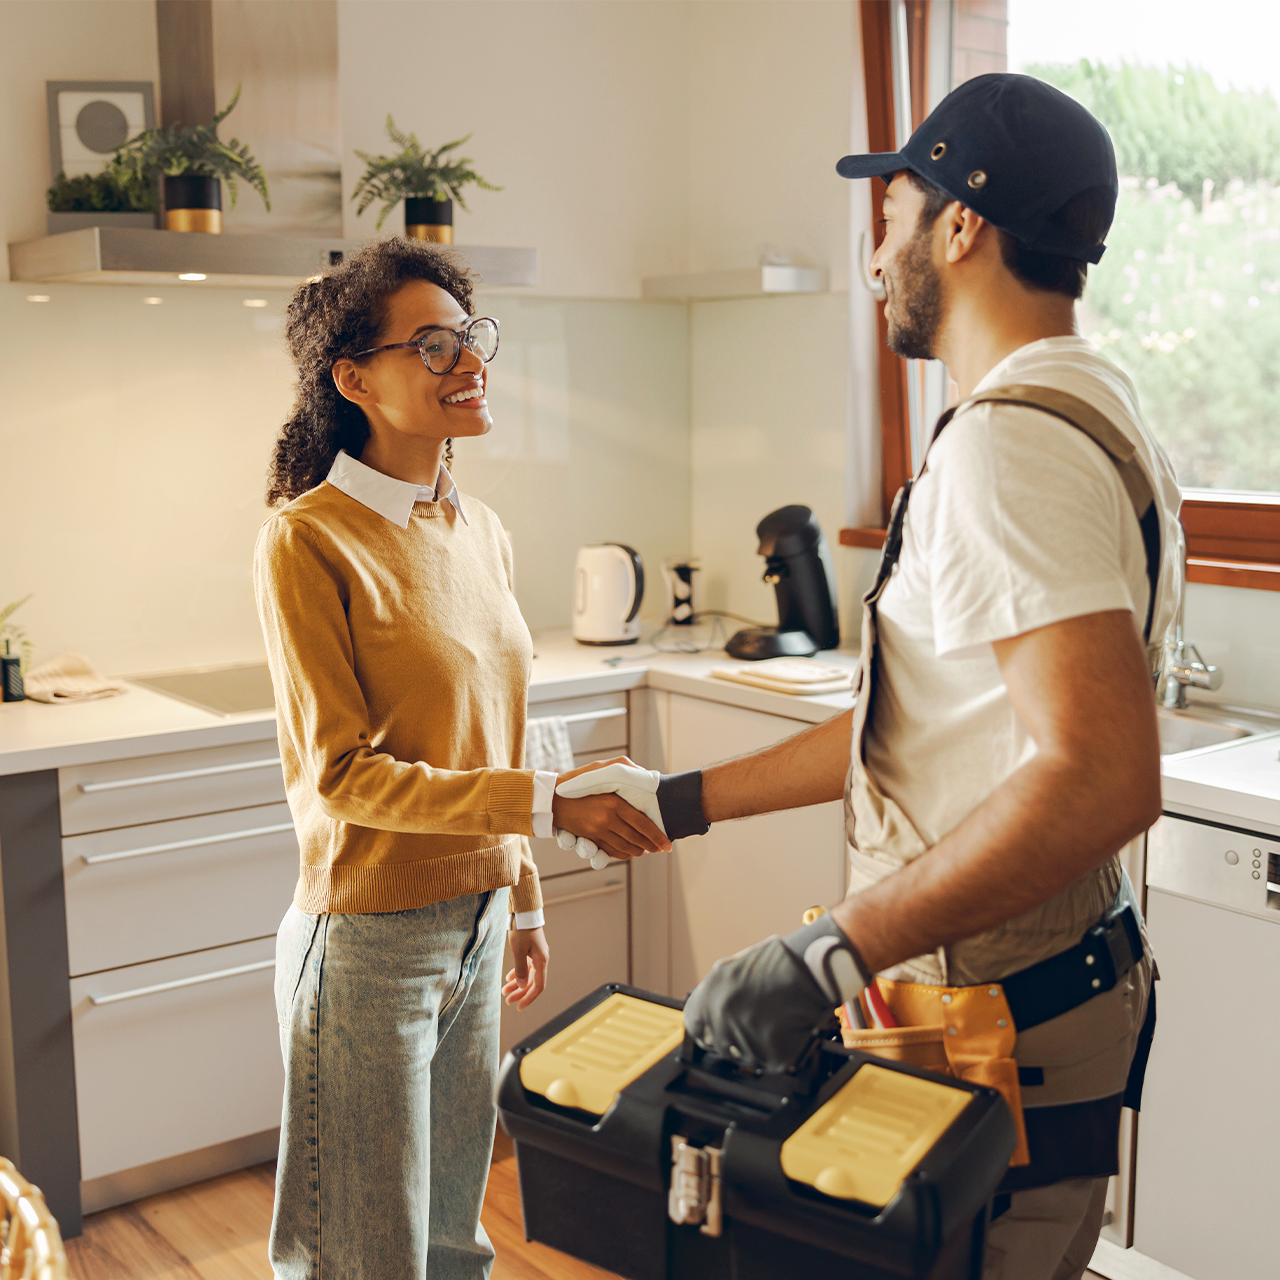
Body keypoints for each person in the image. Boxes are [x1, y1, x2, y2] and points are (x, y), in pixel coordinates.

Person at [556, 74, 1182, 1280]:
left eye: (893, 214)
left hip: (1001, 1003)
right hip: (1028, 987)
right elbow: (922, 730)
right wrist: (678, 798)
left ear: (962, 228)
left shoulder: (1007, 446)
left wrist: (825, 950)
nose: (876, 253)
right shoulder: (1096, 407)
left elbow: (1100, 776)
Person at [254, 238, 668, 1280]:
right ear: (354, 380)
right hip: (366, 944)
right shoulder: (308, 540)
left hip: (478, 924)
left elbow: (505, 721)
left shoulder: (478, 527)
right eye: (431, 346)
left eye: (470, 337)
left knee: (453, 1240)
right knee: (363, 1254)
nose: (467, 361)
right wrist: (547, 807)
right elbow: (342, 776)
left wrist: (520, 898)